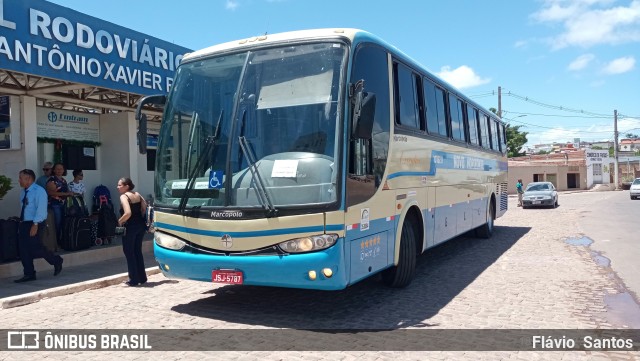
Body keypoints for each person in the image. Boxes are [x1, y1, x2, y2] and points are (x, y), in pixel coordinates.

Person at [14, 169, 63, 283]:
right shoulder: (24, 192)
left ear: (29, 179)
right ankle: (29, 273)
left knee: (36, 248)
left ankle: (56, 260)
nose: (19, 180)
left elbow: (41, 209)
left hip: (35, 222)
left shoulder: (39, 191)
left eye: (21, 178)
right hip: (24, 223)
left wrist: (35, 224)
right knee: (23, 249)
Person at [117, 177, 148, 286]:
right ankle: (142, 277)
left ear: (127, 186)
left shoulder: (124, 197)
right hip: (141, 225)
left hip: (130, 227)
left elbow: (128, 213)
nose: (118, 187)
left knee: (129, 252)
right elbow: (144, 208)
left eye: (120, 185)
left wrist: (119, 221)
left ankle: (133, 279)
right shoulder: (138, 194)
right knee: (137, 251)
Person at [46, 163, 73, 242]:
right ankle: (55, 242)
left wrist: (71, 193)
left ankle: (62, 240)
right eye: (57, 169)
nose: (59, 170)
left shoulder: (64, 180)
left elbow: (66, 191)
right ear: (54, 170)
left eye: (61, 169)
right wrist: (66, 194)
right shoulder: (52, 180)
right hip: (55, 205)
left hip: (63, 204)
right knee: (56, 224)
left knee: (63, 223)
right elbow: (51, 193)